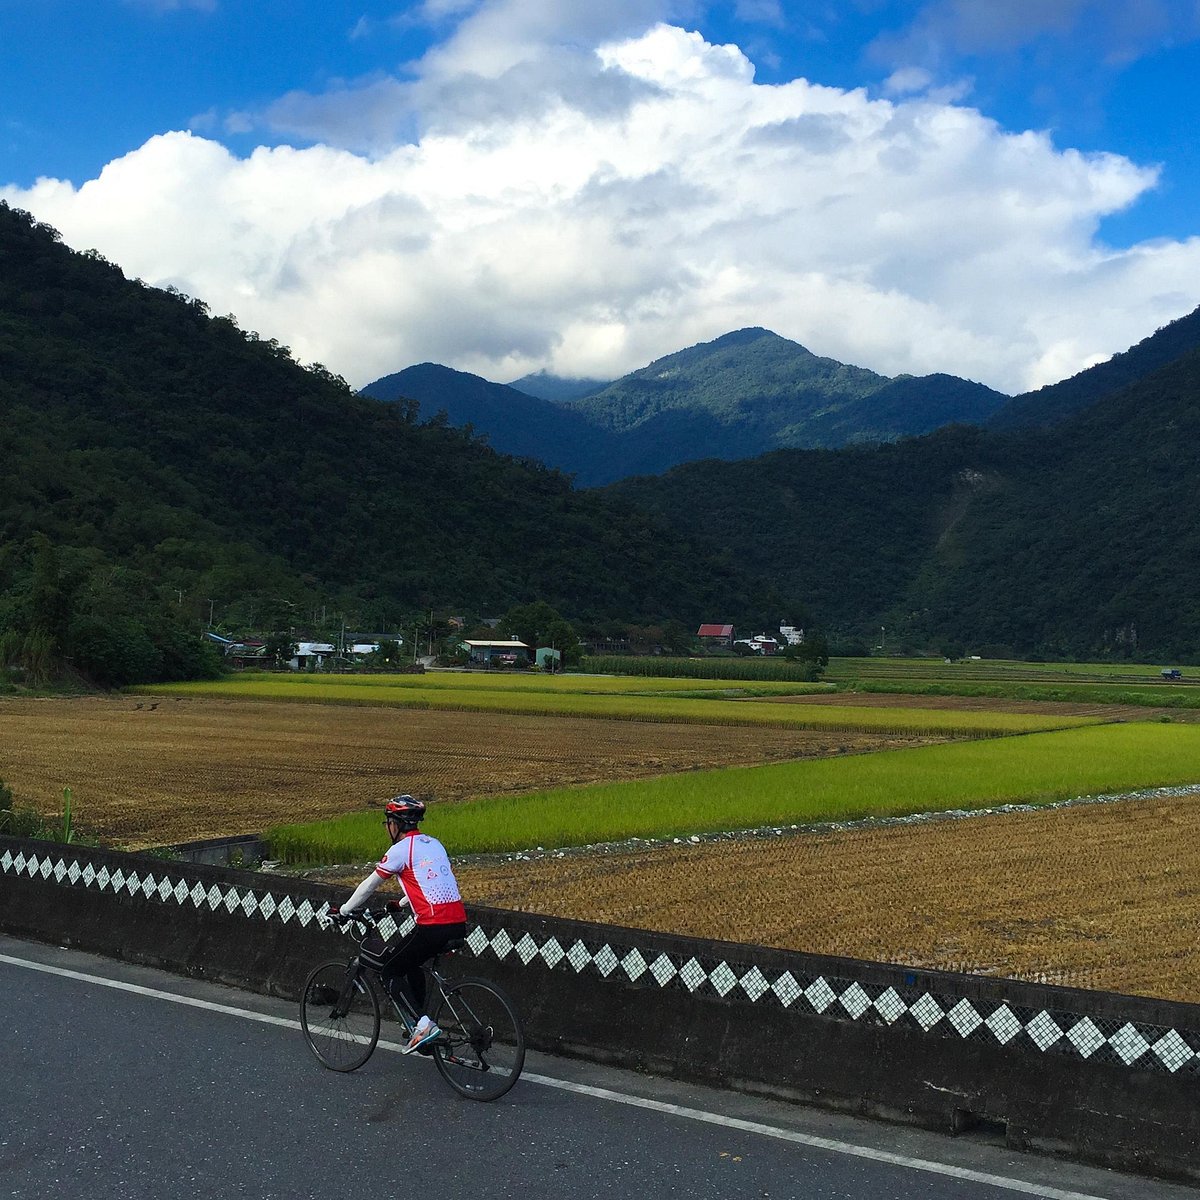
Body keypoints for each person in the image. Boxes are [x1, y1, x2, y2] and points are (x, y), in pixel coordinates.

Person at [332, 795, 467, 1053]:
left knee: (389, 971)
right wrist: (401, 904)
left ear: (396, 824)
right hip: (458, 923)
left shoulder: (400, 850)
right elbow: (430, 882)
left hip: (433, 926)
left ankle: (423, 1025)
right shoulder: (434, 844)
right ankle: (423, 1022)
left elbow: (370, 885)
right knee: (410, 963)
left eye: (388, 822)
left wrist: (346, 909)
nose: (387, 827)